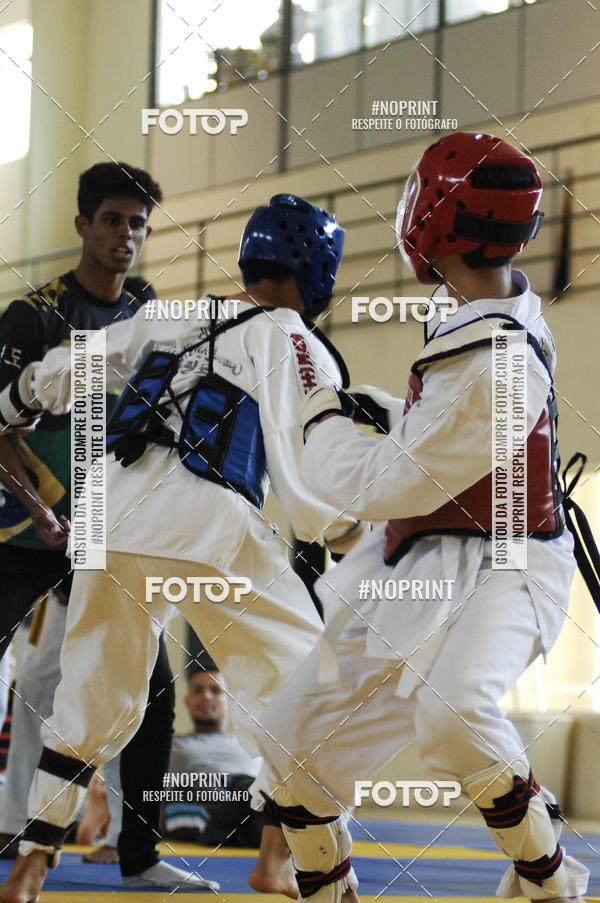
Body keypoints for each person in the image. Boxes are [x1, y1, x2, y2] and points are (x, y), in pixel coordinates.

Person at [248, 133, 590, 903]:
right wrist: (380, 408)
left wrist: (321, 419)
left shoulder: (500, 356)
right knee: (290, 743)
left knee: (455, 712)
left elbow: (388, 481)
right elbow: (435, 446)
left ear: (433, 216)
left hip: (508, 563)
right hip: (416, 562)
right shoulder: (473, 322)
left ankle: (552, 879)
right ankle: (330, 890)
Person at [0, 193, 363, 903]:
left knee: (94, 692)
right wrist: (355, 530)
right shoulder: (296, 340)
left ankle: (29, 866)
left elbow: (73, 364)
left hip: (110, 521)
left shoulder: (169, 313)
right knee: (317, 692)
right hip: (211, 527)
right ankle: (315, 873)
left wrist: (13, 401)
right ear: (317, 270)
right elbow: (317, 467)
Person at [0, 164, 207, 891]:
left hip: (110, 533)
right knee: (29, 675)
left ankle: (138, 853)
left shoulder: (149, 310)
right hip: (23, 531)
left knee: (148, 690)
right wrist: (38, 507)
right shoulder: (32, 314)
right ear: (83, 224)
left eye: (139, 223)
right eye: (114, 219)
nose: (127, 234)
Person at [163, 665, 263, 848]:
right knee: (197, 784)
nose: (206, 696)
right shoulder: (170, 745)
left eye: (216, 690)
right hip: (195, 796)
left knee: (253, 789)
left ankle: (243, 829)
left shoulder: (253, 744)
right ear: (187, 701)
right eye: (198, 691)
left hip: (244, 798)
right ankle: (241, 828)